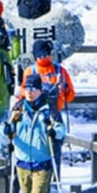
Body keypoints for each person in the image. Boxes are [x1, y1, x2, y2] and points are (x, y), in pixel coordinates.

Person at [0, 73, 66, 193]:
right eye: (27, 89)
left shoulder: (48, 109)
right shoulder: (18, 108)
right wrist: (6, 130)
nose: (29, 92)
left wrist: (54, 132)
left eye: (33, 89)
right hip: (22, 160)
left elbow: (61, 129)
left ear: (40, 90)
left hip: (42, 160)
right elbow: (7, 127)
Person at [19, 39, 75, 176]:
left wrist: (65, 90)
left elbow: (70, 96)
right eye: (40, 55)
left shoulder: (60, 71)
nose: (43, 58)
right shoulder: (30, 71)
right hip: (35, 114)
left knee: (55, 145)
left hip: (54, 112)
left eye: (46, 54)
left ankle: (54, 177)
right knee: (39, 146)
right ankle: (38, 176)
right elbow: (23, 92)